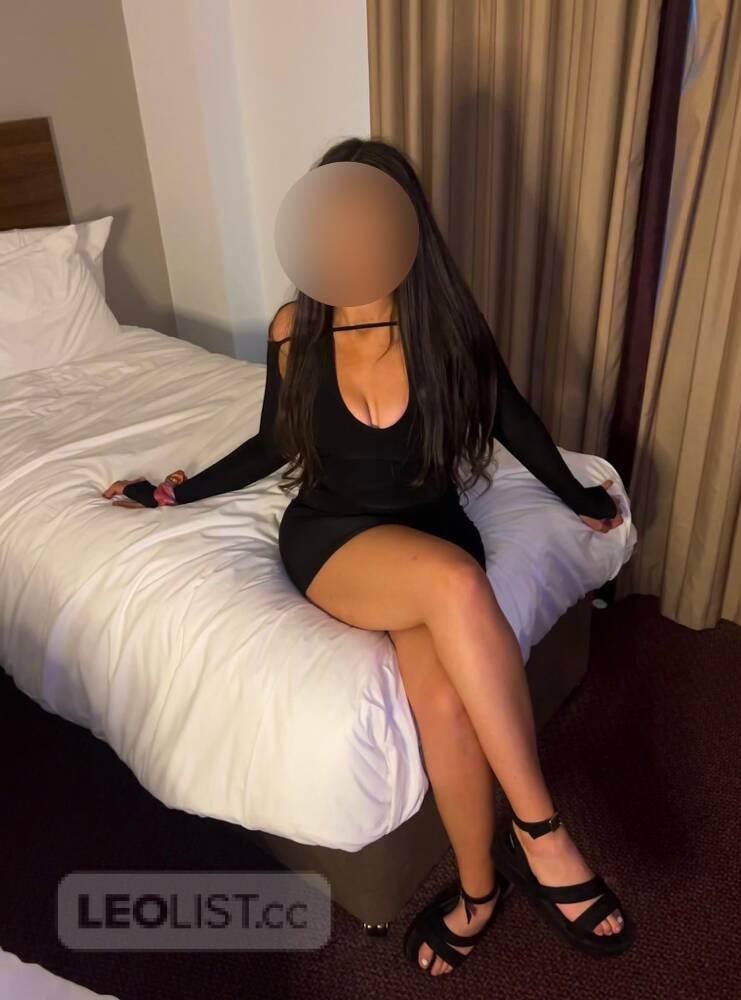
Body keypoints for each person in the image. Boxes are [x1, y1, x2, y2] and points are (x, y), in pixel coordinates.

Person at [103, 138, 633, 975]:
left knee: (445, 700)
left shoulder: (447, 328)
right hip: (334, 537)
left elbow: (513, 420)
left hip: (432, 528)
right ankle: (542, 834)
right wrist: (176, 494)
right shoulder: (296, 331)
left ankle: (478, 893)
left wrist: (577, 496)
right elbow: (276, 441)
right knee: (456, 583)